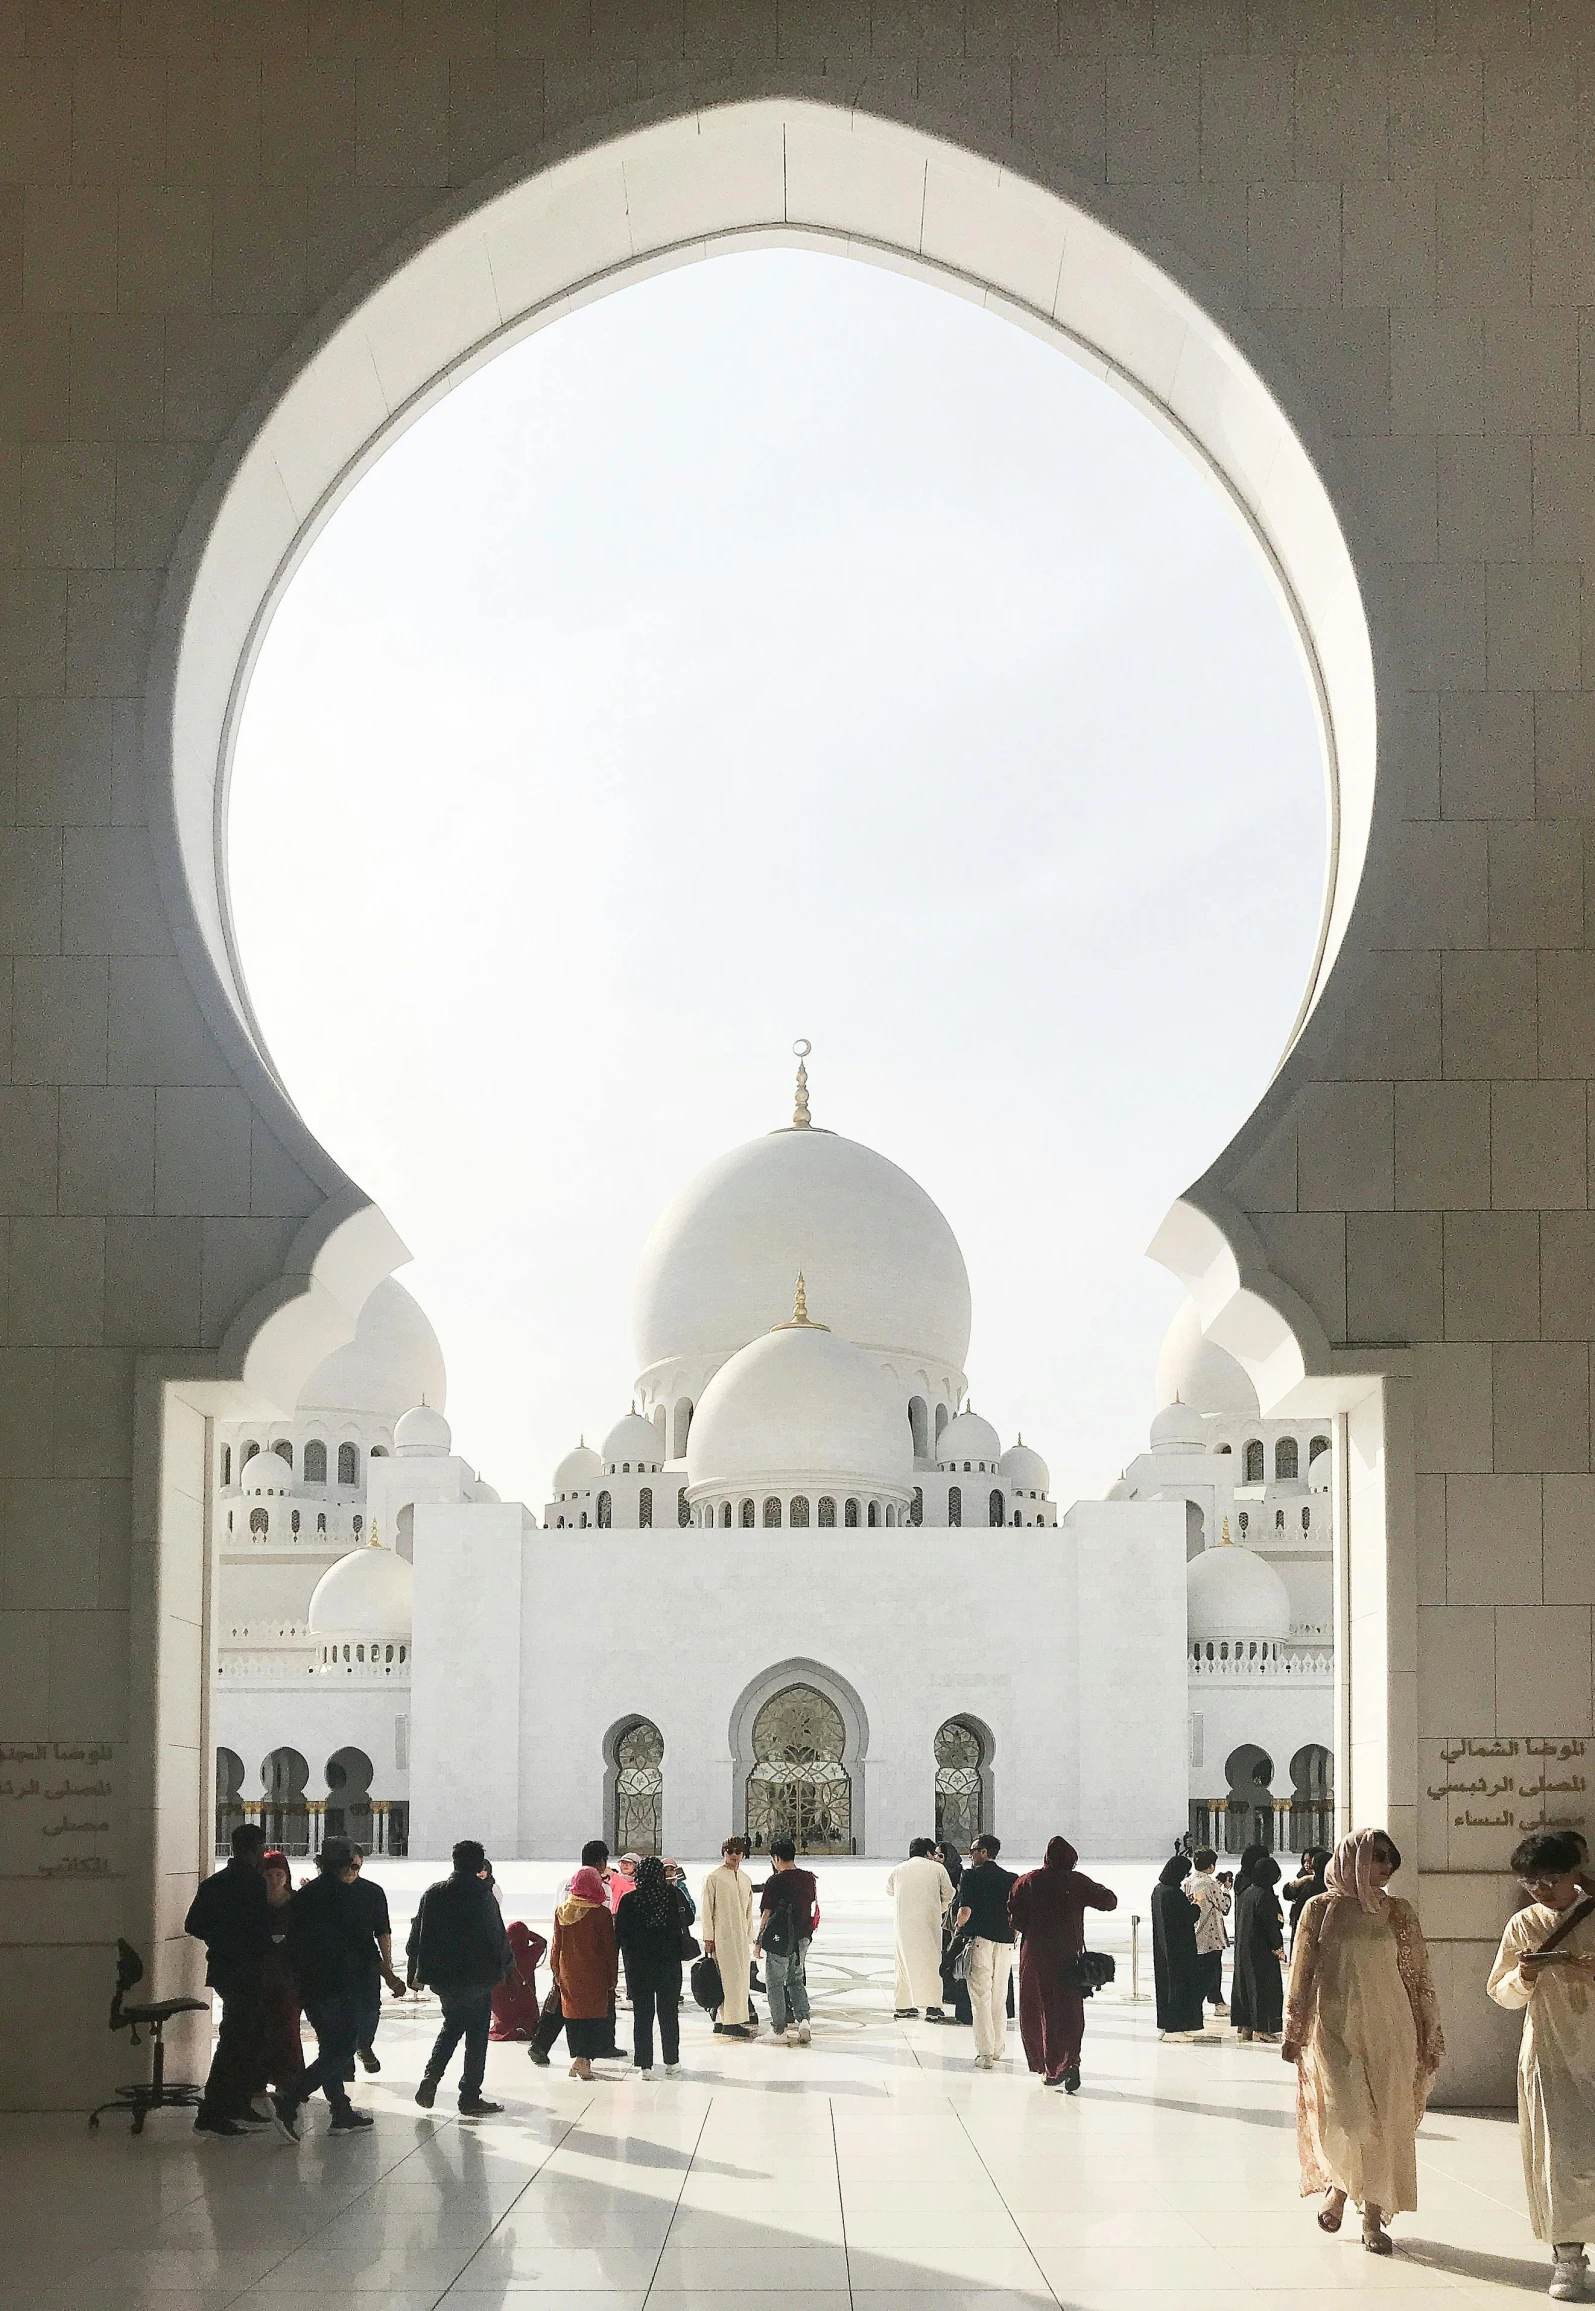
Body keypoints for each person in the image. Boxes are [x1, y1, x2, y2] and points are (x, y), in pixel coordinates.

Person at [1283, 1827, 1444, 2254]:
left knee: (1386, 2119)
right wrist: (1293, 2028)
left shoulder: (1399, 1912)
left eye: (1391, 1860)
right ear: (1352, 1858)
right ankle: (1339, 2185)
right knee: (1346, 2116)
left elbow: (1418, 1975)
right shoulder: (1319, 1909)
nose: (1386, 1868)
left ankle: (1372, 2216)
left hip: (1390, 2027)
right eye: (1378, 1858)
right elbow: (1302, 1971)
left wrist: (1430, 2029)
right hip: (1334, 2026)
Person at [1488, 1829, 1595, 2299]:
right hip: (1549, 2051)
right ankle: (1567, 2258)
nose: (1539, 1890)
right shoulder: (1523, 1924)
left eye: (1549, 1879)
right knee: (1559, 2156)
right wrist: (1525, 1973)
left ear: (1574, 1872)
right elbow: (1502, 1993)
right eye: (1531, 1881)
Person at [272, 1835, 380, 2136]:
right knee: (343, 2046)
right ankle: (290, 2098)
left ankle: (340, 2111)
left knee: (329, 2046)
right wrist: (385, 1974)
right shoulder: (348, 1896)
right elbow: (363, 1942)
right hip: (338, 1984)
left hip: (310, 1983)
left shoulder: (307, 1895)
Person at [407, 1838, 513, 2113]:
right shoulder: (482, 1894)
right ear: (479, 1865)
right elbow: (496, 1934)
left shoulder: (434, 1893)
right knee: (475, 2034)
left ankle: (433, 2080)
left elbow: (417, 1932)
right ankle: (467, 2094)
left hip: (444, 1977)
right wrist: (508, 1966)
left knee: (453, 2024)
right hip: (478, 1977)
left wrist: (413, 1968)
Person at [184, 1820, 275, 2135]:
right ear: (254, 1850)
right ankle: (213, 2112)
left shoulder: (215, 1883)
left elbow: (193, 1924)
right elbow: (260, 1930)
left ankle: (236, 2104)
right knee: (238, 2041)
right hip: (246, 1971)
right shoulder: (252, 1883)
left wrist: (220, 1939)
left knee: (245, 2036)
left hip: (224, 1969)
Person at [1008, 1835, 1117, 2091]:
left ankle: (1049, 2067)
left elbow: (1014, 1918)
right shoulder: (1076, 1882)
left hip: (1035, 1955)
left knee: (1038, 2009)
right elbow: (1109, 1902)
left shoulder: (1028, 1881)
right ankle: (1070, 2061)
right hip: (1068, 1956)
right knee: (1068, 2011)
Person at [529, 1840, 612, 2065]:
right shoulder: (602, 1889)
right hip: (590, 1961)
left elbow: (558, 1916)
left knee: (562, 2003)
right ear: (600, 1861)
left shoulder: (566, 1883)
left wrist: (556, 1965)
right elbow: (606, 1933)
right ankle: (591, 2051)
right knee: (590, 2010)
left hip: (566, 1958)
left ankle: (540, 2043)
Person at [615, 1854, 693, 2074]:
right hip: (668, 1964)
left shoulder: (630, 1901)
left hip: (639, 1967)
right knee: (668, 2014)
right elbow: (688, 1919)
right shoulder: (673, 1895)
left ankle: (645, 2066)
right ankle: (671, 2062)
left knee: (642, 2016)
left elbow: (619, 1934)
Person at [953, 1832, 1018, 2069]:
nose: (969, 1855)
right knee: (999, 1995)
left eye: (973, 1850)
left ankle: (985, 2052)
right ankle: (999, 2047)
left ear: (984, 1852)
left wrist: (957, 1929)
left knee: (980, 1996)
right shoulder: (1012, 1878)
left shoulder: (970, 1876)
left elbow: (965, 1911)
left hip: (980, 1940)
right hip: (1005, 1942)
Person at [552, 1863, 619, 2080]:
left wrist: (556, 1971)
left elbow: (556, 1946)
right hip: (595, 1973)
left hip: (568, 1973)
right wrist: (612, 1977)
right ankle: (584, 2060)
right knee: (593, 2017)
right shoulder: (601, 1914)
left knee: (573, 2016)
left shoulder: (562, 1911)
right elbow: (609, 1949)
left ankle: (579, 2058)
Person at [346, 1844, 405, 2074]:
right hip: (335, 1965)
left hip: (367, 1962)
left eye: (355, 1866)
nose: (351, 1871)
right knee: (342, 2016)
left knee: (371, 2009)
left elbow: (383, 1931)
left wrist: (388, 1967)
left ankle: (364, 2045)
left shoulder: (372, 1892)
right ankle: (345, 2072)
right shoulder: (326, 1892)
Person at [756, 1835, 819, 2044]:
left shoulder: (775, 1881)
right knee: (795, 1979)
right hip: (802, 1936)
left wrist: (758, 1941)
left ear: (775, 1858)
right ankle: (804, 2021)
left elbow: (767, 1912)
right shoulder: (808, 1878)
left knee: (774, 1983)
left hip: (779, 1938)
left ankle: (779, 2029)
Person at [888, 1836, 955, 2019]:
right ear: (927, 1853)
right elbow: (949, 1893)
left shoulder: (898, 1869)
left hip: (903, 1924)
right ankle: (933, 2007)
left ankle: (903, 2005)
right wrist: (938, 1908)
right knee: (932, 1963)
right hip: (928, 1923)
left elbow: (890, 1890)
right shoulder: (937, 1869)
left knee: (902, 1963)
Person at [259, 1848, 306, 2093]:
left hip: (289, 1975)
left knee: (288, 2027)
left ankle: (290, 2080)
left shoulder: (297, 1903)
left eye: (279, 1875)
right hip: (262, 1975)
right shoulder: (255, 1904)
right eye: (269, 1876)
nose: (274, 1880)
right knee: (262, 2027)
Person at [701, 1836, 756, 2038]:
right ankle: (729, 2022)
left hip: (740, 1937)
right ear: (724, 1853)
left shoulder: (744, 1879)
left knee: (740, 1978)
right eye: (730, 1851)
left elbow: (748, 1910)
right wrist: (708, 1937)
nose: (734, 1856)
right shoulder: (714, 1878)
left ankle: (724, 2019)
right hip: (721, 1936)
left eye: (738, 1852)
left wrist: (749, 1934)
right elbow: (707, 1908)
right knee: (726, 1978)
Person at [1151, 1852, 1207, 2040]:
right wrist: (1198, 1903)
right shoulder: (1173, 1893)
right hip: (1179, 1949)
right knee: (1179, 1986)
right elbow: (1188, 1916)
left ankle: (1166, 2025)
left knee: (1165, 1986)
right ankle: (1175, 2027)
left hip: (1163, 1948)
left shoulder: (1159, 1891)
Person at [1232, 1854, 1285, 2042]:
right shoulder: (1265, 1895)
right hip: (1261, 1951)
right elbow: (1271, 1924)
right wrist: (1278, 1947)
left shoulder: (1247, 1892)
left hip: (1244, 1948)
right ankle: (1263, 2029)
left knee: (1246, 1987)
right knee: (1263, 1988)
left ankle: (1246, 2026)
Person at [1187, 1847, 1231, 2018]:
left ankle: (1204, 2002)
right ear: (1211, 1866)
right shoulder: (1209, 1883)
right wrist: (1226, 1889)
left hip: (1195, 1933)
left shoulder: (1189, 1881)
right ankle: (1216, 2002)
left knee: (1199, 1970)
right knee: (1212, 1970)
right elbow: (1223, 1905)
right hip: (1210, 1935)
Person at [935, 1843, 974, 2025]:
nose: (937, 1859)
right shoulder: (935, 1873)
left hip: (954, 1921)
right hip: (943, 1920)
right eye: (935, 1855)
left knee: (955, 1956)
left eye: (941, 1856)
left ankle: (953, 1993)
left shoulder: (960, 1874)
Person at [491, 1920, 549, 2040]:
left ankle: (506, 2028)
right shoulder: (530, 1953)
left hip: (502, 2008)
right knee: (526, 1999)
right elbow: (542, 1941)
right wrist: (528, 1934)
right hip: (525, 2004)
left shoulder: (498, 1954)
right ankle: (524, 2027)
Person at [1284, 1847, 1330, 1946]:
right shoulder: (1303, 1878)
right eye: (1304, 1861)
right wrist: (1303, 1880)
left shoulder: (1321, 1884)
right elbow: (1287, 1894)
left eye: (1310, 1862)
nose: (1307, 1865)